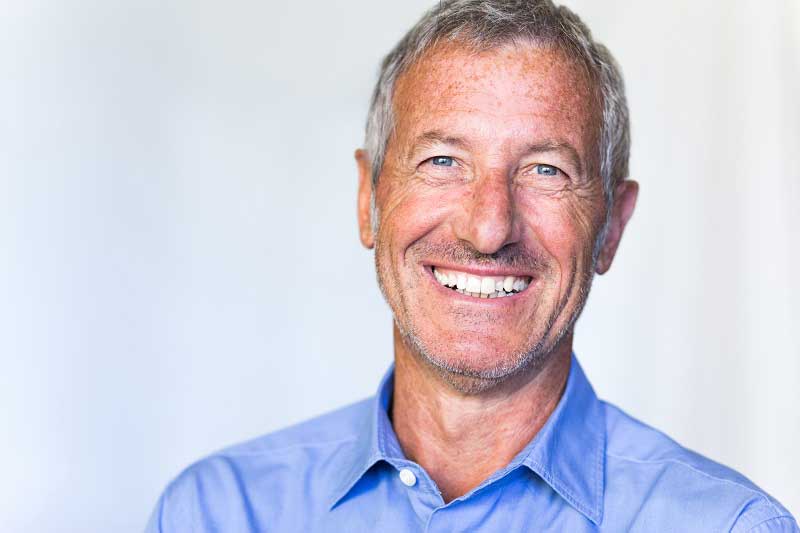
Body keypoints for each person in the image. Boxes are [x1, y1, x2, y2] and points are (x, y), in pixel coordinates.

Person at [146, 1, 797, 531]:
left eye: (546, 170)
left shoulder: (727, 525)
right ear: (367, 199)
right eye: (442, 161)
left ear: (612, 226)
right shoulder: (216, 513)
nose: (488, 229)